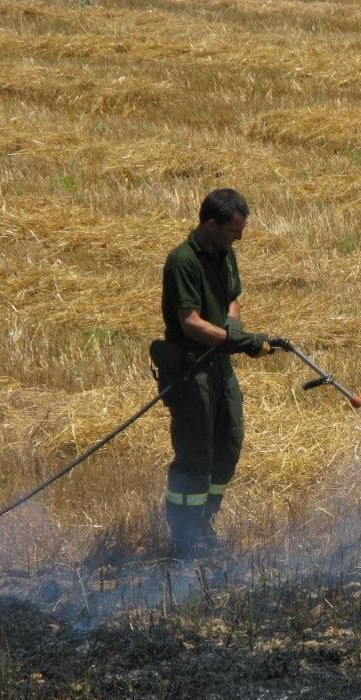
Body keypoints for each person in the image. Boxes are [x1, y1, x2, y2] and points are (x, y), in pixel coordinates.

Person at [159, 188, 282, 557]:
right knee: (195, 455)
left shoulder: (225, 253)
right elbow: (192, 323)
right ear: (211, 225)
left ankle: (206, 524)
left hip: (219, 366)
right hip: (191, 370)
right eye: (233, 231)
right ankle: (184, 539)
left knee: (229, 442)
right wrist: (238, 341)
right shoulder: (182, 261)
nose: (238, 238)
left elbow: (232, 298)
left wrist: (234, 329)